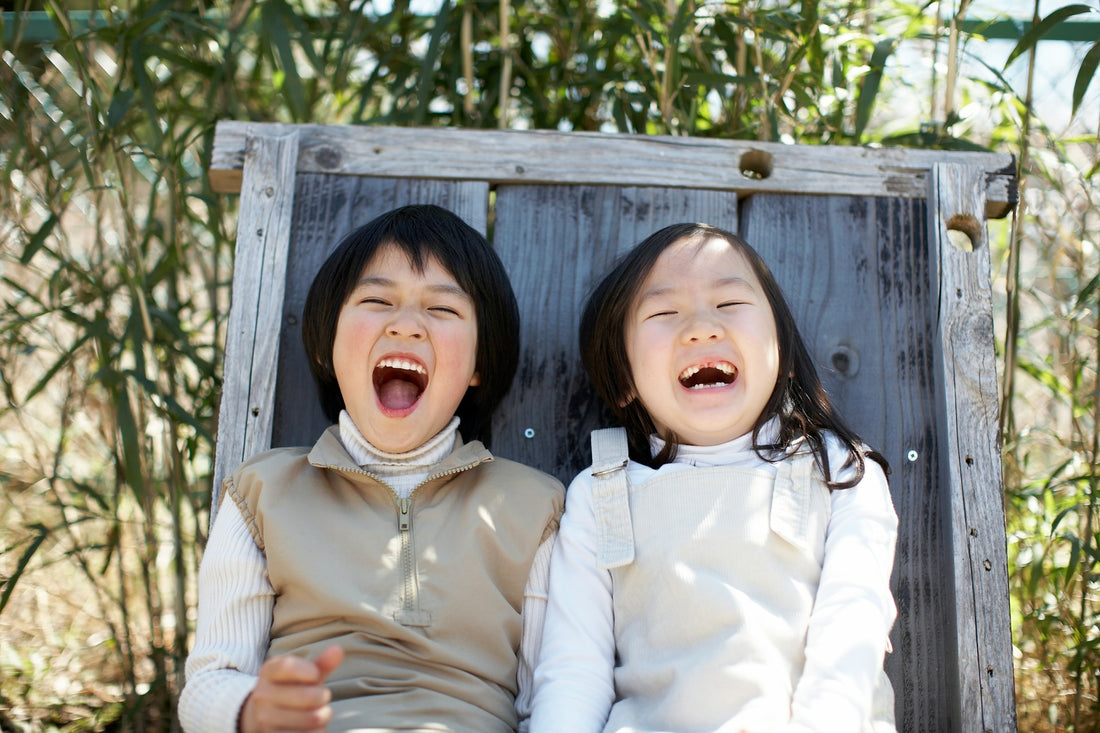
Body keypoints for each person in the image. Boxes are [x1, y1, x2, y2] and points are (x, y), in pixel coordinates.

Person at [179, 204, 565, 733]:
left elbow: (552, 697)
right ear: (328, 344)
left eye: (443, 310)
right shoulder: (261, 493)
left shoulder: (534, 508)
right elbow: (209, 683)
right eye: (377, 300)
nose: (406, 325)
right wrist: (249, 708)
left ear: (479, 364)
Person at [529, 222, 898, 733]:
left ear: (783, 356)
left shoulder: (839, 471)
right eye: (663, 312)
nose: (702, 327)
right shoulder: (601, 494)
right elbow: (574, 670)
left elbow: (851, 631)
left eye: (728, 304)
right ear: (623, 378)